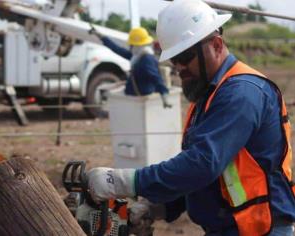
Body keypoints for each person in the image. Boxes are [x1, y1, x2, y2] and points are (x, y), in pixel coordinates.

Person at [86, 0, 295, 235]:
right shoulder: (210, 96)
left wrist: (124, 181)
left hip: (260, 229)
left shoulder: (241, 93)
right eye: (175, 60)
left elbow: (202, 164)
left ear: (216, 45)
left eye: (185, 57)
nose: (179, 68)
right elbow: (208, 178)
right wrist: (159, 207)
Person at [90, 26, 172, 108]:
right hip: (136, 90)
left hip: (140, 93)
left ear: (137, 45)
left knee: (109, 93)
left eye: (132, 45)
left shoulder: (146, 59)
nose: (130, 47)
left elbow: (156, 78)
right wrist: (100, 36)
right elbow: (117, 49)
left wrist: (164, 95)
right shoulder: (138, 56)